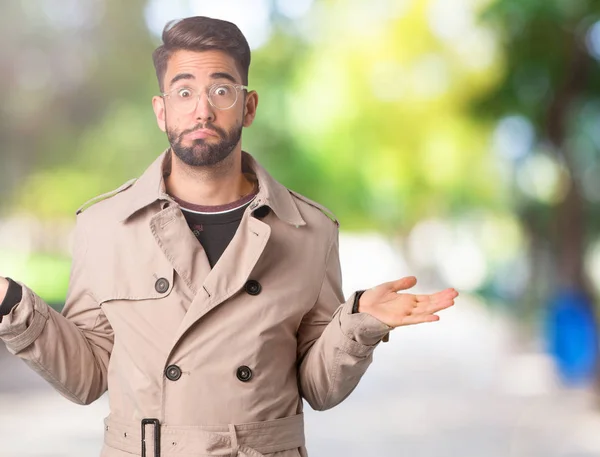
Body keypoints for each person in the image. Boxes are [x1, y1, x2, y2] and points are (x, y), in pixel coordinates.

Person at [0, 16, 458, 457]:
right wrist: (10, 305)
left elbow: (318, 388)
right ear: (162, 111)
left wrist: (358, 323)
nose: (202, 109)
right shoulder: (104, 226)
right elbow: (88, 377)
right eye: (184, 92)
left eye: (221, 90)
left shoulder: (310, 229)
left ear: (249, 106)